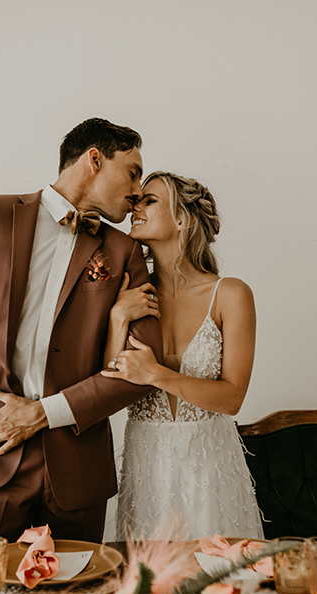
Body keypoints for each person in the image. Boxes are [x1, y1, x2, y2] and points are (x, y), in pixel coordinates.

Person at [0, 118, 163, 543]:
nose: (138, 190)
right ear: (94, 160)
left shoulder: (126, 251)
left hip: (78, 472)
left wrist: (42, 414)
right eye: (132, 171)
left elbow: (143, 371)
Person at [101, 171, 264, 539]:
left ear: (182, 218)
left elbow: (232, 397)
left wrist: (157, 375)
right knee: (147, 590)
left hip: (210, 469)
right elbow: (107, 387)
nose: (135, 207)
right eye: (137, 200)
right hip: (146, 465)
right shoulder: (128, 293)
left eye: (149, 200)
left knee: (218, 586)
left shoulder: (231, 295)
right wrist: (117, 317)